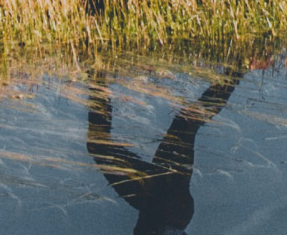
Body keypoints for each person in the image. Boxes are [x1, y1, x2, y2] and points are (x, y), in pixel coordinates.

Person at [86, 67, 246, 235]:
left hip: (162, 207)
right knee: (186, 122)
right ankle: (240, 68)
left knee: (186, 122)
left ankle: (98, 71)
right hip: (166, 209)